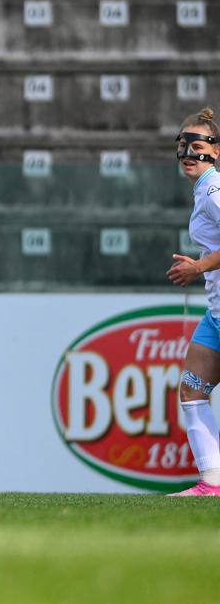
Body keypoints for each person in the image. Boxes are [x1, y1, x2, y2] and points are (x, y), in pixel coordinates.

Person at [166, 106, 220, 496]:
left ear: (216, 151)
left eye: (197, 147)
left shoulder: (214, 191)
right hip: (216, 314)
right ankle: (213, 484)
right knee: (192, 390)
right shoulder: (204, 190)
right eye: (182, 146)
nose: (188, 154)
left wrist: (198, 267)